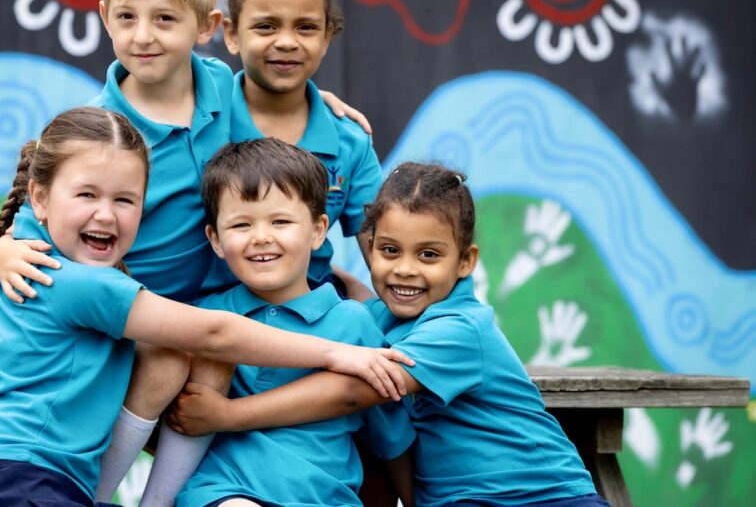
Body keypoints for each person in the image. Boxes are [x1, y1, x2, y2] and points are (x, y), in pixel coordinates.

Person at [0, 0, 373, 505]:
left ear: (207, 28)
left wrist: (319, 101)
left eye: (165, 19)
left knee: (218, 362)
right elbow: (36, 214)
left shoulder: (221, 88)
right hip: (139, 320)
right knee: (174, 358)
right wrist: (0, 250)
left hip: (218, 314)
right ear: (105, 17)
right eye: (128, 17)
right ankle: (98, 496)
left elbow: (276, 91)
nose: (144, 35)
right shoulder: (103, 131)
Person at [0, 108, 410, 507]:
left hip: (21, 477)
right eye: (87, 195)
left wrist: (309, 97)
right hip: (12, 477)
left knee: (169, 356)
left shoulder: (34, 257)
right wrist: (333, 352)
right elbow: (214, 334)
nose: (105, 213)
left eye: (125, 200)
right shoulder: (69, 278)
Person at [168, 162, 612, 507]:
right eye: (389, 250)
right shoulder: (372, 319)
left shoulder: (460, 328)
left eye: (429, 255)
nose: (405, 269)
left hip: (541, 494)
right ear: (369, 247)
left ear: (466, 261)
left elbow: (354, 391)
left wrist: (227, 416)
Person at [173, 138, 415, 507]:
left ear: (318, 230)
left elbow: (392, 436)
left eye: (281, 221)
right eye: (241, 224)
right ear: (216, 239)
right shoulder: (205, 319)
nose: (261, 237)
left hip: (327, 499)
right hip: (226, 492)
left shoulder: (354, 324)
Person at [202, 0, 382, 295]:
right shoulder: (200, 115)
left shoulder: (350, 140)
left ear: (327, 37)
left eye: (306, 27)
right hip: (212, 318)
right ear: (232, 34)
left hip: (314, 318)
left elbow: (387, 253)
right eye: (266, 26)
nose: (286, 41)